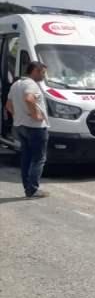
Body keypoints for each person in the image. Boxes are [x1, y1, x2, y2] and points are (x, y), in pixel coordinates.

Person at [4, 61, 49, 198]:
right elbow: (29, 99)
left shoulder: (16, 84)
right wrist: (36, 115)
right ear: (35, 70)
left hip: (20, 126)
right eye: (43, 72)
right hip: (35, 128)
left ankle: (28, 188)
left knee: (26, 158)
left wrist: (19, 116)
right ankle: (33, 189)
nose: (44, 75)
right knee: (39, 158)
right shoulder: (31, 84)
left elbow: (8, 105)